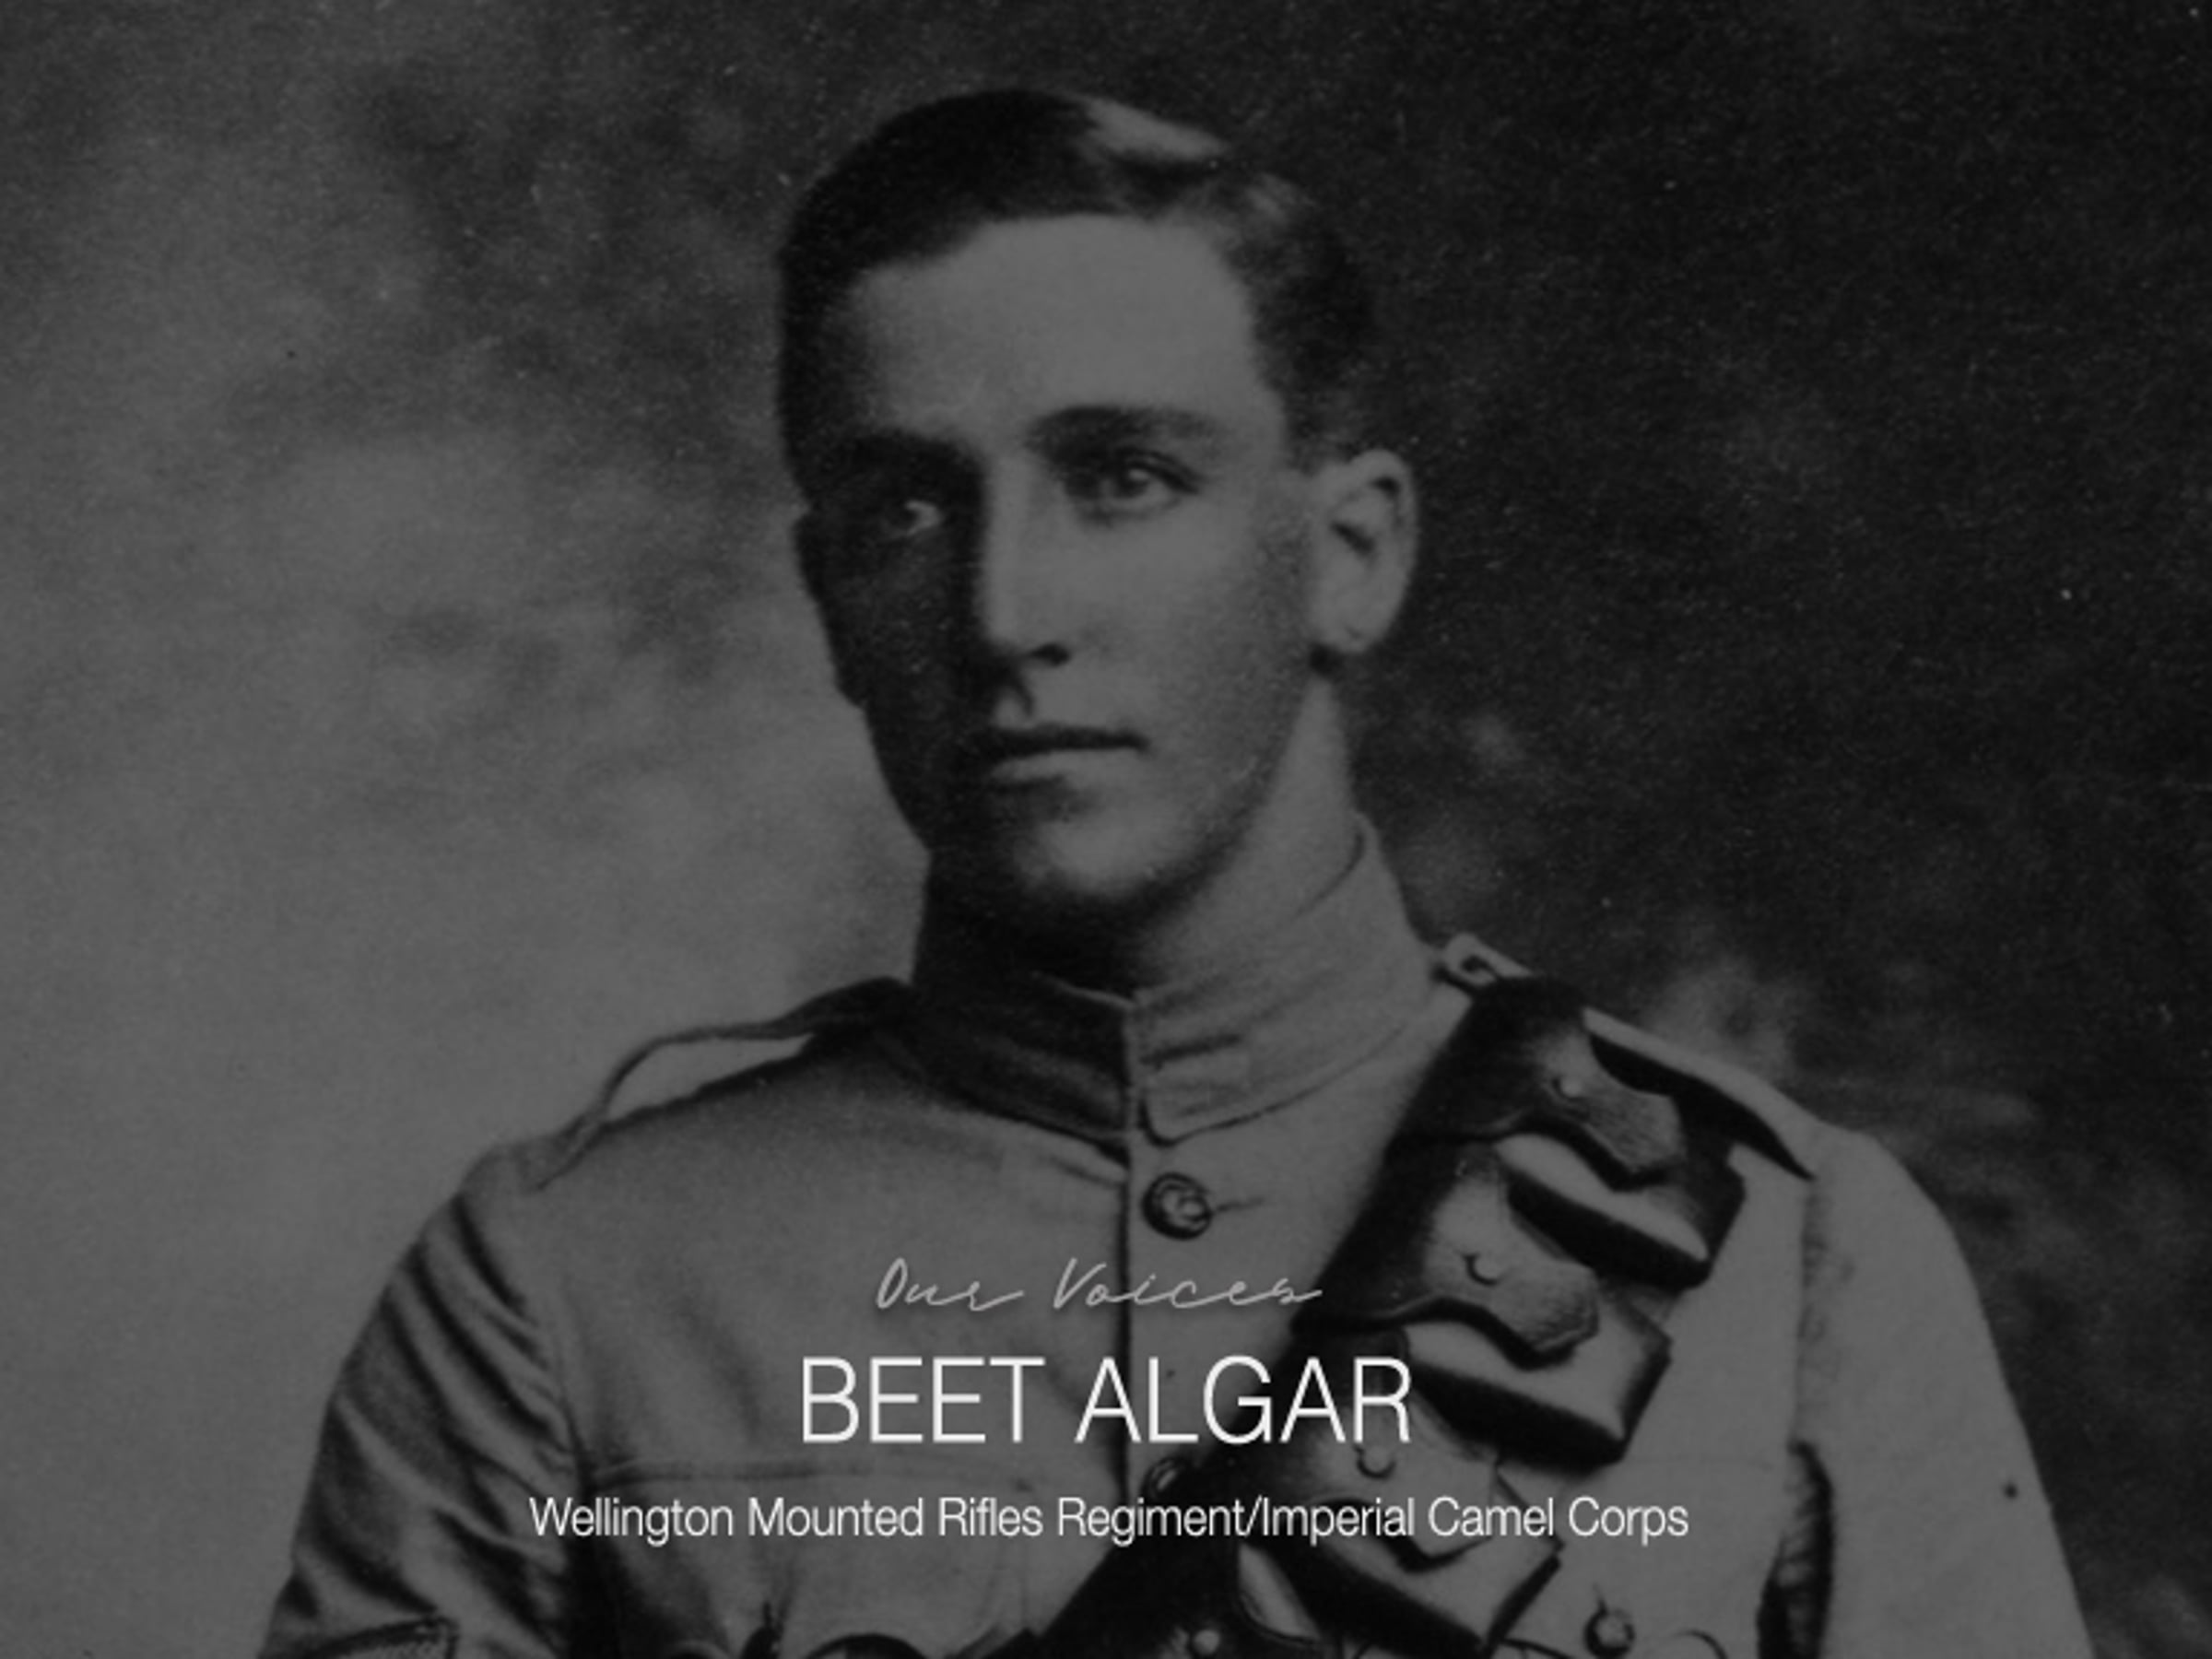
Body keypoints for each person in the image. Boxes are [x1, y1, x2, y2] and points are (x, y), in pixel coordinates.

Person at [260, 89, 2091, 1659]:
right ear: (826, 602)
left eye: (1121, 477)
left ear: (1352, 554)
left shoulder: (1782, 1259)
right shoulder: (559, 1293)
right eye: (906, 507)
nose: (1005, 612)